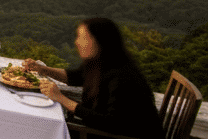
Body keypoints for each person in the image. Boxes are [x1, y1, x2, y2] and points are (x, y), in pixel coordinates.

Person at [22, 18, 161, 139]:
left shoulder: (122, 77)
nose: (77, 42)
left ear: (100, 42)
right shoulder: (103, 62)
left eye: (83, 38)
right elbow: (74, 77)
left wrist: (61, 98)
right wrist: (42, 69)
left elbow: (109, 123)